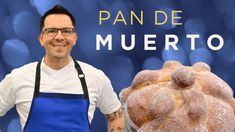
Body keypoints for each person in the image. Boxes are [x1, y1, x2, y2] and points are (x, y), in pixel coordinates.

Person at [0, 5, 124, 132]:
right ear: (41, 39)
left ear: (74, 38)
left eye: (66, 31)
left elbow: (116, 117)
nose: (59, 37)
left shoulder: (95, 77)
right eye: (51, 31)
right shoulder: (18, 78)